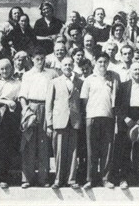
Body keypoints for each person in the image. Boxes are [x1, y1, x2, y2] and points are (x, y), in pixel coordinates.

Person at [18, 50, 57, 188]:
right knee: (28, 143)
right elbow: (22, 96)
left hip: (46, 108)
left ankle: (43, 178)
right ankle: (27, 179)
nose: (40, 61)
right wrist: (26, 111)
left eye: (42, 58)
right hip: (31, 107)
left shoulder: (51, 74)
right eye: (37, 59)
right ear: (32, 59)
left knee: (44, 143)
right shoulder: (27, 75)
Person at [81, 52, 119, 189]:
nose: (102, 64)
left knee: (107, 149)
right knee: (92, 149)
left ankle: (105, 178)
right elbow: (84, 101)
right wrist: (91, 112)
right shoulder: (89, 79)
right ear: (95, 62)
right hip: (92, 117)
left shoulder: (113, 78)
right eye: (100, 62)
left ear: (108, 63)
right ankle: (90, 179)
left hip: (108, 116)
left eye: (105, 62)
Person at [114, 62, 139, 189]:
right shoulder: (123, 86)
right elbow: (117, 105)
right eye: (135, 69)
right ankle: (123, 178)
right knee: (124, 149)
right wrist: (125, 118)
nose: (137, 71)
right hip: (127, 119)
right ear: (130, 72)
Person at [45, 56, 83, 189]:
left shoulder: (79, 82)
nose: (68, 67)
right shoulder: (54, 82)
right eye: (65, 65)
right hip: (59, 120)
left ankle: (71, 179)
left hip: (74, 121)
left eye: (70, 65)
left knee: (73, 151)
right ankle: (58, 179)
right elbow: (48, 104)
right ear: (61, 67)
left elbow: (81, 103)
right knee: (59, 151)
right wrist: (49, 123)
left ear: (73, 66)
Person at [0, 58, 22, 188]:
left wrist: (8, 103)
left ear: (11, 69)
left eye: (7, 68)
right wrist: (6, 101)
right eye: (2, 69)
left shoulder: (17, 83)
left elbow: (18, 99)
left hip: (10, 118)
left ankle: (3, 178)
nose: (5, 71)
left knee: (5, 148)